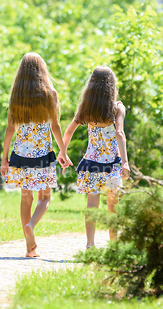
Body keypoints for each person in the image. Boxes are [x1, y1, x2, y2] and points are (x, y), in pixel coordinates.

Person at [0, 52, 71, 258]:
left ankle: (29, 247)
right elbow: (55, 127)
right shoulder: (51, 94)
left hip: (20, 155)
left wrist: (4, 158)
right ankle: (31, 225)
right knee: (45, 198)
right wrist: (62, 151)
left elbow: (9, 130)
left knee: (25, 199)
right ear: (42, 71)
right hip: (42, 155)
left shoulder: (16, 97)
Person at [62, 66, 130, 249]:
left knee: (92, 204)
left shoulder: (86, 109)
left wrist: (63, 152)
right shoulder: (117, 109)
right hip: (113, 163)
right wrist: (125, 162)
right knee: (113, 204)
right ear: (111, 86)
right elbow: (120, 134)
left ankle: (90, 244)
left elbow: (68, 131)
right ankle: (114, 244)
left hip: (91, 162)